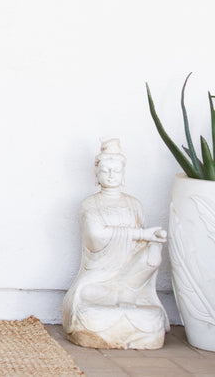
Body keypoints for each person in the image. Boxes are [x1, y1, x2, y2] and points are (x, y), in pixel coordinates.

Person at [61, 139, 169, 349]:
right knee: (89, 313)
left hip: (129, 282)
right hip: (98, 282)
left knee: (151, 316)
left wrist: (153, 241)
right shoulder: (90, 204)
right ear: (96, 175)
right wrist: (141, 234)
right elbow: (96, 236)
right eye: (106, 170)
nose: (111, 175)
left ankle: (126, 301)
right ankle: (117, 309)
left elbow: (142, 253)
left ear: (123, 175)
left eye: (116, 171)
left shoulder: (134, 205)